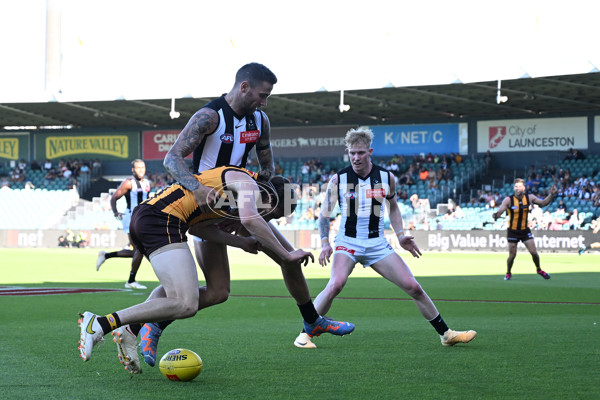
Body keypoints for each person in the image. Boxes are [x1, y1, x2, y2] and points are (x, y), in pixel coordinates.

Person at [110, 63, 353, 372]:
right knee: (222, 288)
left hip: (239, 202)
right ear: (244, 87)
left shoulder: (260, 121)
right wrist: (197, 189)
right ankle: (147, 326)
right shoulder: (210, 116)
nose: (265, 102)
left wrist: (262, 204)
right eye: (262, 95)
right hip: (202, 207)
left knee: (283, 257)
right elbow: (172, 158)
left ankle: (311, 319)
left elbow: (267, 169)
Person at [78, 166, 353, 372]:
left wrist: (241, 242)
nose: (269, 219)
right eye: (274, 214)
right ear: (270, 198)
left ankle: (128, 332)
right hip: (160, 221)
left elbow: (198, 226)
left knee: (194, 295)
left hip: (155, 220)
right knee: (186, 304)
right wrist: (286, 254)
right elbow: (251, 218)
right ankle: (101, 323)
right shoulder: (248, 186)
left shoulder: (237, 194)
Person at [293, 127, 476, 349]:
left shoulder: (386, 177)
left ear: (370, 151)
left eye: (360, 152)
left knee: (414, 287)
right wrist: (324, 243)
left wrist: (400, 235)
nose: (356, 157)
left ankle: (446, 335)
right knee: (335, 284)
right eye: (352, 153)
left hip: (377, 244)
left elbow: (394, 208)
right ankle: (304, 335)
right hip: (347, 242)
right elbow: (323, 216)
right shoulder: (338, 179)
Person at [96, 159, 151, 289]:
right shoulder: (128, 183)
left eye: (142, 167)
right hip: (131, 218)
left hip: (143, 219)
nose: (141, 170)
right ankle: (131, 281)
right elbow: (114, 197)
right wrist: (115, 212)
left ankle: (106, 255)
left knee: (138, 251)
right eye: (138, 168)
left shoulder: (147, 182)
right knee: (140, 250)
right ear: (133, 170)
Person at [492, 178, 557, 280]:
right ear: (514, 188)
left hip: (525, 230)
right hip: (513, 231)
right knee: (512, 255)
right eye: (516, 186)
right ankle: (508, 272)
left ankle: (539, 269)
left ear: (524, 188)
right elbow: (500, 211)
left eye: (519, 186)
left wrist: (551, 195)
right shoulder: (509, 200)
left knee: (534, 252)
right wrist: (495, 215)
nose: (517, 188)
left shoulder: (529, 197)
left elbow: (544, 203)